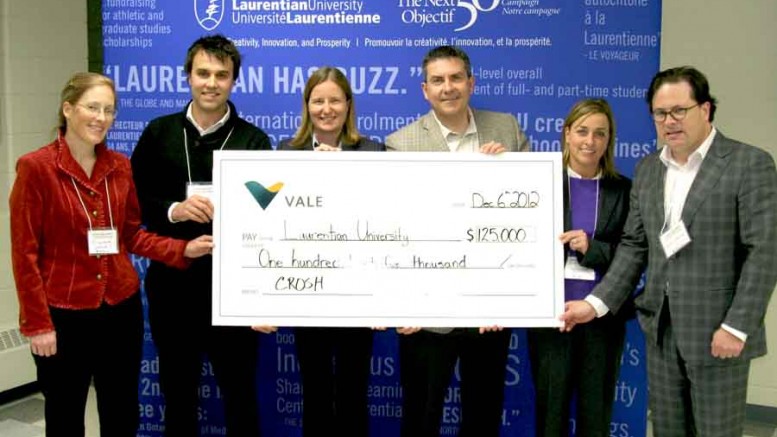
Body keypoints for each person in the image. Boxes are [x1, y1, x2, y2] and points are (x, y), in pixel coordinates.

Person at [561, 66, 777, 437]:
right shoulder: (649, 169)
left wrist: (736, 326)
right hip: (660, 332)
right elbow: (635, 246)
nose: (669, 121)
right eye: (660, 113)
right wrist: (594, 305)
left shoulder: (748, 163)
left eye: (679, 110)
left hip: (717, 332)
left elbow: (764, 252)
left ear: (705, 109)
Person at [9, 72, 213, 437]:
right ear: (68, 109)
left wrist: (182, 249)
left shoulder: (119, 166)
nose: (101, 118)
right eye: (92, 107)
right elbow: (24, 254)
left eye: (109, 110)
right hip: (65, 313)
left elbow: (131, 235)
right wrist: (38, 324)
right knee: (65, 414)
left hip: (120, 309)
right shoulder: (36, 168)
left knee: (121, 412)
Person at [130, 35, 272, 436]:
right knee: (178, 394)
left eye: (221, 75)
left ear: (234, 81)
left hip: (234, 289)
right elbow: (134, 201)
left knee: (240, 394)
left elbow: (269, 213)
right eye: (203, 73)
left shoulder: (253, 140)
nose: (211, 83)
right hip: (173, 286)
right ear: (188, 76)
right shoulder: (158, 132)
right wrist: (173, 210)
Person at [385, 45, 529, 437]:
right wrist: (400, 303)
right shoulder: (401, 143)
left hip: (489, 307)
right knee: (421, 418)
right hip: (427, 313)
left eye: (455, 78)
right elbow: (393, 230)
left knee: (483, 417)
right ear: (425, 90)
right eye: (438, 80)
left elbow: (528, 214)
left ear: (471, 82)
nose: (448, 87)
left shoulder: (506, 130)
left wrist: (508, 172)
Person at [275, 66, 384, 437]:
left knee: (354, 391)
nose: (326, 109)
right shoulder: (287, 153)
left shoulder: (372, 152)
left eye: (334, 100)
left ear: (348, 104)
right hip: (309, 292)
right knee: (316, 392)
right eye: (318, 100)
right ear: (307, 105)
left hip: (358, 292)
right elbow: (273, 219)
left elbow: (384, 219)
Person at [526, 99, 631, 437]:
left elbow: (633, 255)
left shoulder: (624, 190)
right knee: (550, 418)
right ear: (567, 133)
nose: (590, 141)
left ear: (609, 139)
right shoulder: (540, 184)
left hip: (602, 319)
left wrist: (591, 248)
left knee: (595, 418)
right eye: (582, 131)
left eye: (600, 133)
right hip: (552, 319)